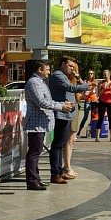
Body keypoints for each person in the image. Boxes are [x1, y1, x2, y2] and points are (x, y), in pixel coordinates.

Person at [24, 60, 74, 191]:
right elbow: (42, 102)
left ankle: (36, 179)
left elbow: (47, 100)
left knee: (36, 151)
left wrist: (62, 105)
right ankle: (32, 180)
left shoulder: (39, 82)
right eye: (47, 69)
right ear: (39, 69)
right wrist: (61, 106)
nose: (49, 72)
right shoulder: (34, 83)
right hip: (36, 123)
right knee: (34, 152)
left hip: (39, 123)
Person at [48, 56, 90, 184]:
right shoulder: (57, 75)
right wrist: (87, 86)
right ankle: (55, 173)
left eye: (73, 67)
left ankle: (60, 171)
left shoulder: (64, 76)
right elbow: (71, 88)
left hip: (67, 114)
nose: (72, 69)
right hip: (61, 114)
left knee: (62, 144)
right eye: (70, 66)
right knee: (57, 144)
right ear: (63, 64)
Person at [93, 70, 111, 142]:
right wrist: (103, 89)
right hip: (102, 102)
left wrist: (110, 89)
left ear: (109, 75)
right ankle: (97, 136)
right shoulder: (101, 83)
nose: (104, 77)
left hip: (110, 102)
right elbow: (98, 94)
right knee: (100, 118)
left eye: (105, 75)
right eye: (103, 75)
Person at [76, 70, 97, 138]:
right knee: (85, 117)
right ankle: (79, 132)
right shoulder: (86, 82)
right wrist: (89, 92)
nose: (90, 75)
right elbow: (85, 93)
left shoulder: (95, 82)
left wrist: (91, 91)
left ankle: (92, 132)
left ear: (93, 74)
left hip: (94, 100)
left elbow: (96, 92)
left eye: (91, 73)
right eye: (89, 73)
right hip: (87, 100)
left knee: (93, 117)